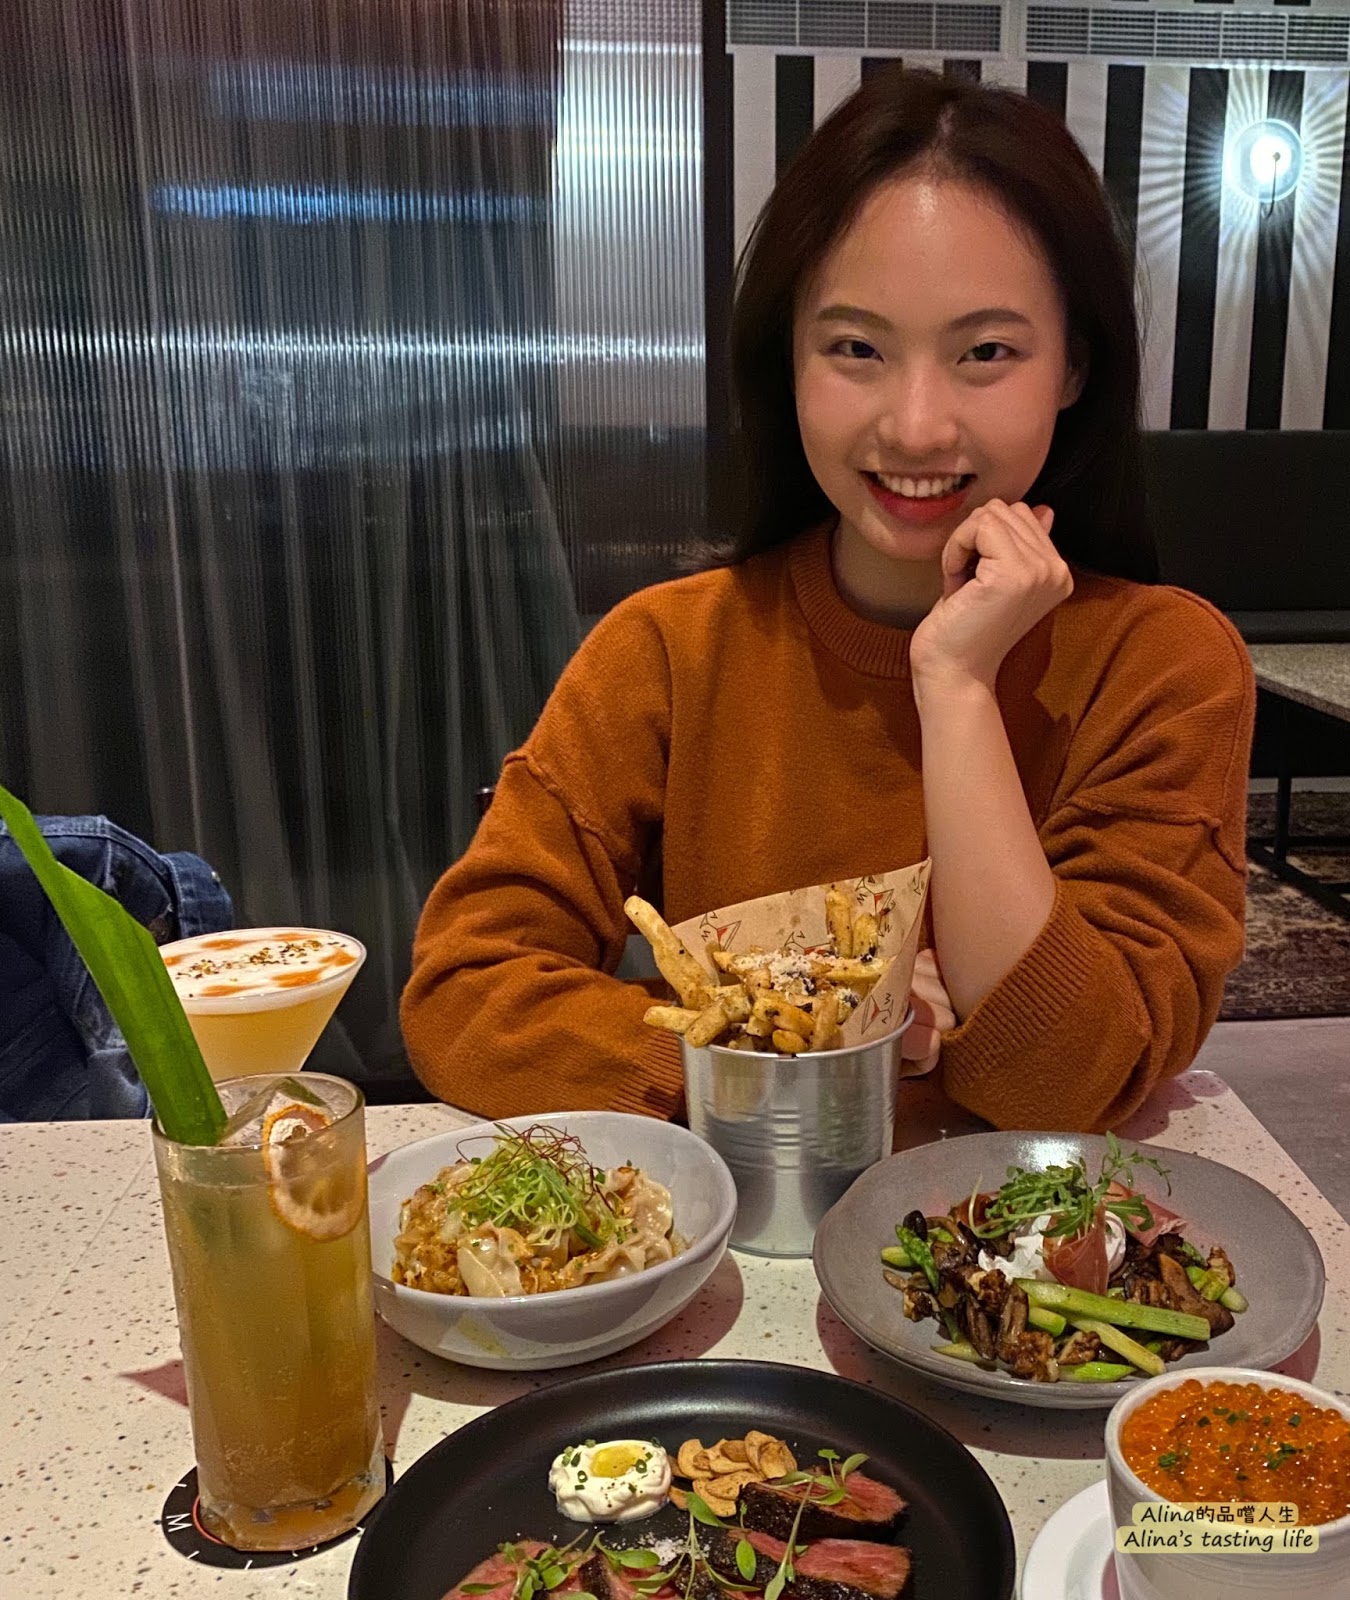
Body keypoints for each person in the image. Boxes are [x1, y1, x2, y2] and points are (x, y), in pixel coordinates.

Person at [402, 68, 1254, 1132]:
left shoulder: (1162, 665)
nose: (916, 425)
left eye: (986, 352)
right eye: (856, 348)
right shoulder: (669, 649)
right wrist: (806, 1034)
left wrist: (956, 683)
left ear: (1074, 366)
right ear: (789, 357)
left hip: (1026, 1236)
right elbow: (468, 991)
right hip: (746, 1231)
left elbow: (1063, 1083)